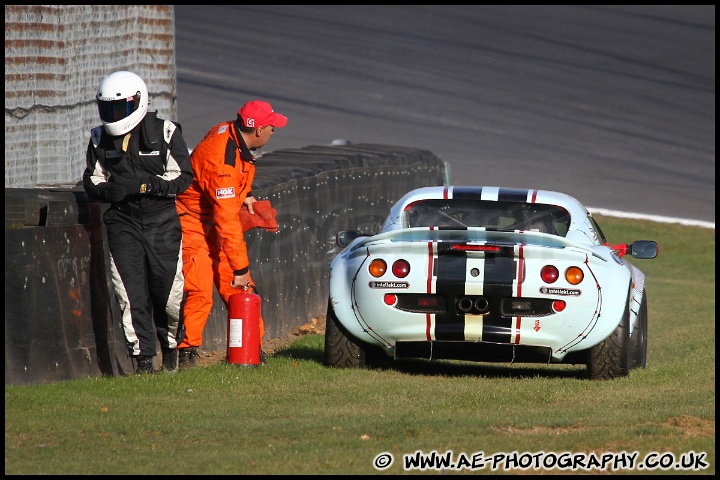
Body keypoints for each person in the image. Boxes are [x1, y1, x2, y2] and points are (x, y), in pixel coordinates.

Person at [82, 71, 193, 374]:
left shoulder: (165, 132)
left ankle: (170, 345)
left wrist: (146, 185)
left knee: (168, 295)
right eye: (109, 110)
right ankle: (143, 360)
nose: (114, 116)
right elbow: (92, 180)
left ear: (139, 102)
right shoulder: (98, 138)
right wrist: (108, 191)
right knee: (130, 295)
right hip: (122, 223)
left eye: (120, 109)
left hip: (161, 221)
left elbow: (183, 177)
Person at [175, 100, 287, 368]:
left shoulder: (229, 132)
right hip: (193, 223)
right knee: (201, 289)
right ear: (258, 131)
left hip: (212, 219)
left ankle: (252, 348)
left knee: (242, 290)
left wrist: (245, 195)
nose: (274, 130)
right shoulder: (222, 164)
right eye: (272, 126)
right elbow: (227, 221)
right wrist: (240, 268)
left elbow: (228, 179)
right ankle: (185, 353)